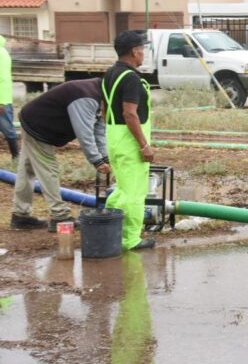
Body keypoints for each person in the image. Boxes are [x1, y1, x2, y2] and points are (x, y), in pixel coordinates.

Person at [10, 78, 111, 231]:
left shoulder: (101, 95)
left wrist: (105, 157)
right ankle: (59, 215)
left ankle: (20, 215)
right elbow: (85, 133)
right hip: (38, 126)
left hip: (36, 122)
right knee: (48, 170)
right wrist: (96, 160)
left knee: (27, 170)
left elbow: (99, 129)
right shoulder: (86, 97)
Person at [102, 30, 156, 251]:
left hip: (114, 137)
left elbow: (104, 109)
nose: (143, 53)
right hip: (129, 140)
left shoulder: (110, 74)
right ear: (134, 51)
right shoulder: (132, 78)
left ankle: (107, 224)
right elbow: (130, 114)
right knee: (134, 192)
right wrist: (144, 145)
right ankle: (130, 239)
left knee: (122, 188)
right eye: (142, 49)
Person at [0, 35, 18, 161]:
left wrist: (1, 101)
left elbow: (2, 78)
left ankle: (16, 156)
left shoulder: (1, 53)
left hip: (2, 99)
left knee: (7, 128)